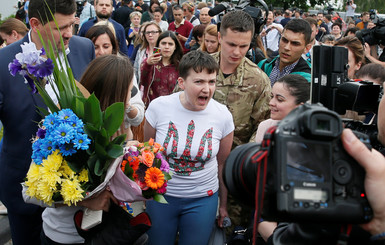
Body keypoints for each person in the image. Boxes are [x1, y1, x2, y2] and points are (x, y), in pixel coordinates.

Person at [0, 0, 95, 244]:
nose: (69, 34)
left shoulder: (85, 48)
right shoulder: (3, 63)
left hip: (78, 193)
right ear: (35, 24)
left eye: (73, 24)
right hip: (25, 190)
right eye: (61, 27)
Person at [144, 50, 234, 245]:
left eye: (212, 82)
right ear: (182, 83)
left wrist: (223, 205)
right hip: (162, 198)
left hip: (202, 199)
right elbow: (147, 153)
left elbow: (222, 164)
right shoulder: (158, 107)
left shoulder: (223, 115)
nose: (207, 89)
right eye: (199, 82)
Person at [212, 10, 271, 147]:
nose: (237, 52)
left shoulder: (258, 80)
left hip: (236, 160)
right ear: (220, 37)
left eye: (244, 46)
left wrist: (245, 156)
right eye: (231, 45)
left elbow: (263, 126)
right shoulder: (199, 68)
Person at [254, 74, 310, 143]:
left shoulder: (310, 131)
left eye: (280, 99)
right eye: (272, 97)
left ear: (300, 107)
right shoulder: (265, 127)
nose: (271, 103)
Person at [258, 18, 312, 86]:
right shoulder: (263, 65)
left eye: (295, 44)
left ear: (306, 48)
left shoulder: (307, 80)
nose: (287, 47)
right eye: (284, 40)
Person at [140, 31, 183, 107]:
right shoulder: (149, 62)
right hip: (151, 107)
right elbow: (143, 82)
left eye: (170, 44)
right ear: (158, 45)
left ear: (175, 47)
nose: (166, 47)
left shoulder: (180, 66)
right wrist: (148, 64)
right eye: (163, 43)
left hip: (172, 107)